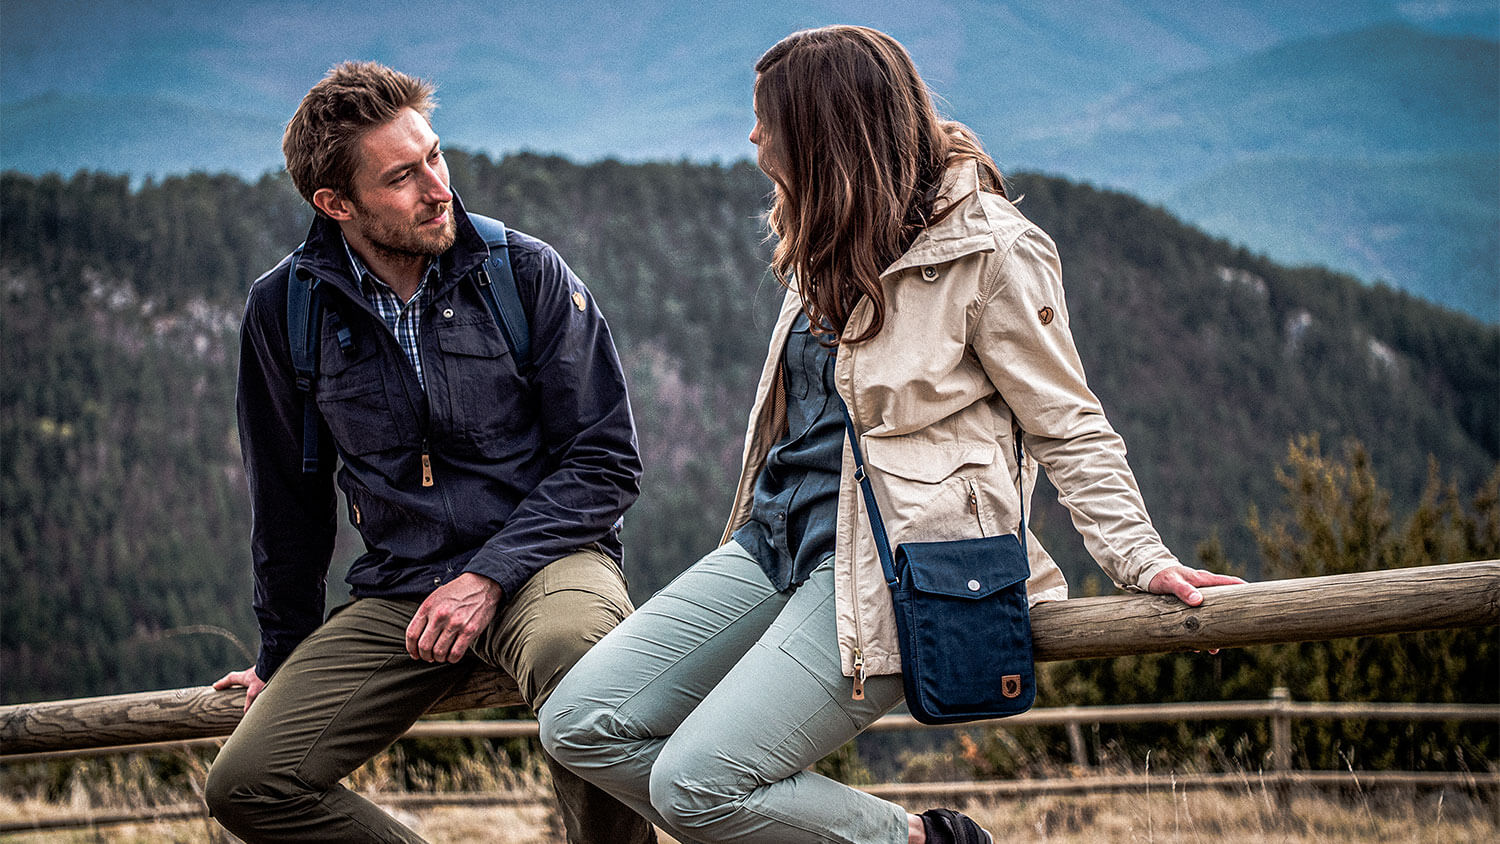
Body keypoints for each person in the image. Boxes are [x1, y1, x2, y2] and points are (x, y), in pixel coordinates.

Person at [538, 25, 1244, 844]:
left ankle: (923, 841)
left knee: (698, 785)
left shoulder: (992, 251)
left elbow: (1070, 424)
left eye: (767, 120)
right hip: (778, 540)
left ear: (824, 131)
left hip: (897, 564)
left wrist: (1141, 558)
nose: (754, 137)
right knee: (579, 723)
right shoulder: (829, 229)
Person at [204, 61, 655, 844]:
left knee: (582, 658)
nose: (439, 188)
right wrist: (280, 653)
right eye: (403, 177)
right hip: (402, 591)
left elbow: (605, 459)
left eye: (435, 157)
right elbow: (287, 500)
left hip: (548, 559)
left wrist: (489, 575)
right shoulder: (285, 310)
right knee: (249, 783)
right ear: (335, 203)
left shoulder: (523, 273)